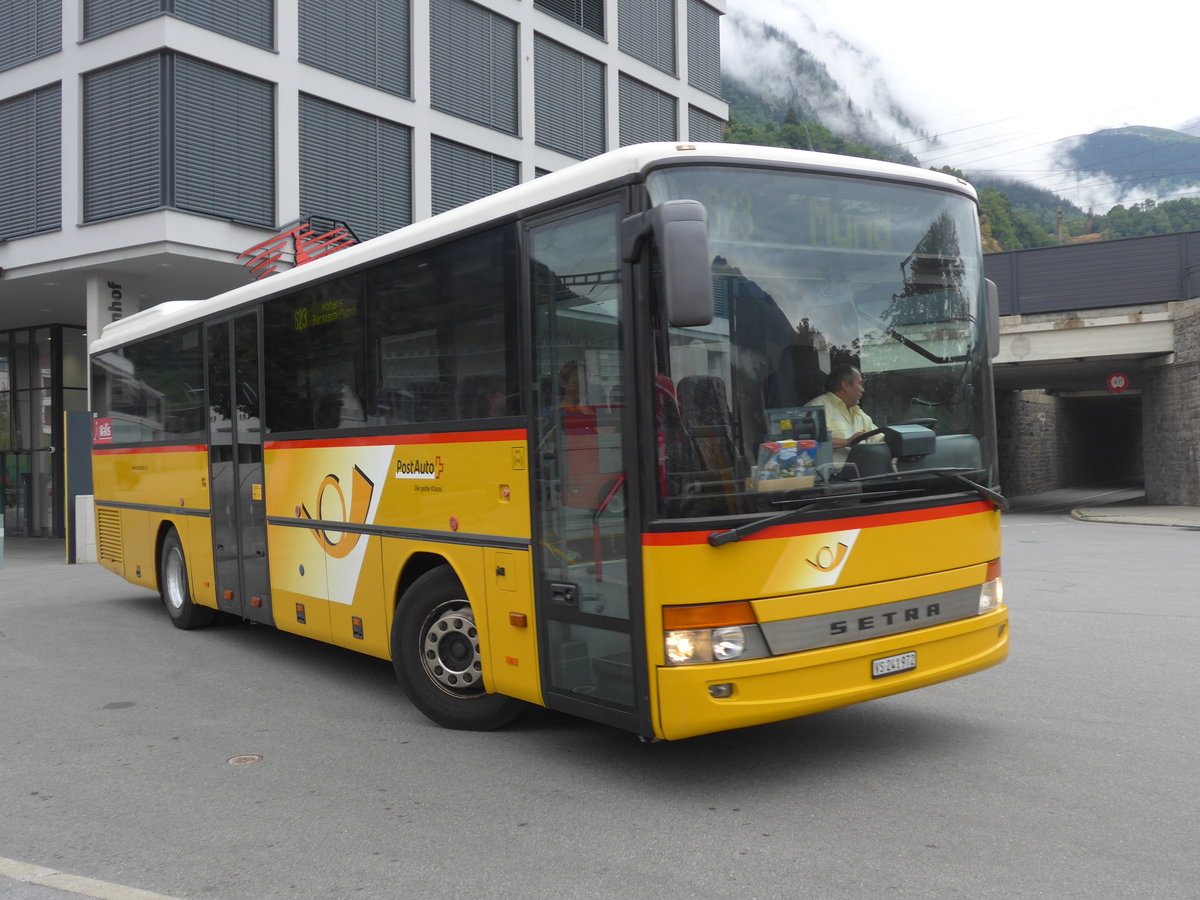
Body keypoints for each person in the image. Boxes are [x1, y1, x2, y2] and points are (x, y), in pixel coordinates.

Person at [806, 365, 883, 464]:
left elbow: (878, 438)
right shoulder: (818, 407)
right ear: (845, 385)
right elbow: (808, 443)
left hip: (865, 474)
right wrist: (847, 442)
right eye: (859, 384)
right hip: (832, 476)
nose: (862, 390)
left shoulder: (858, 413)